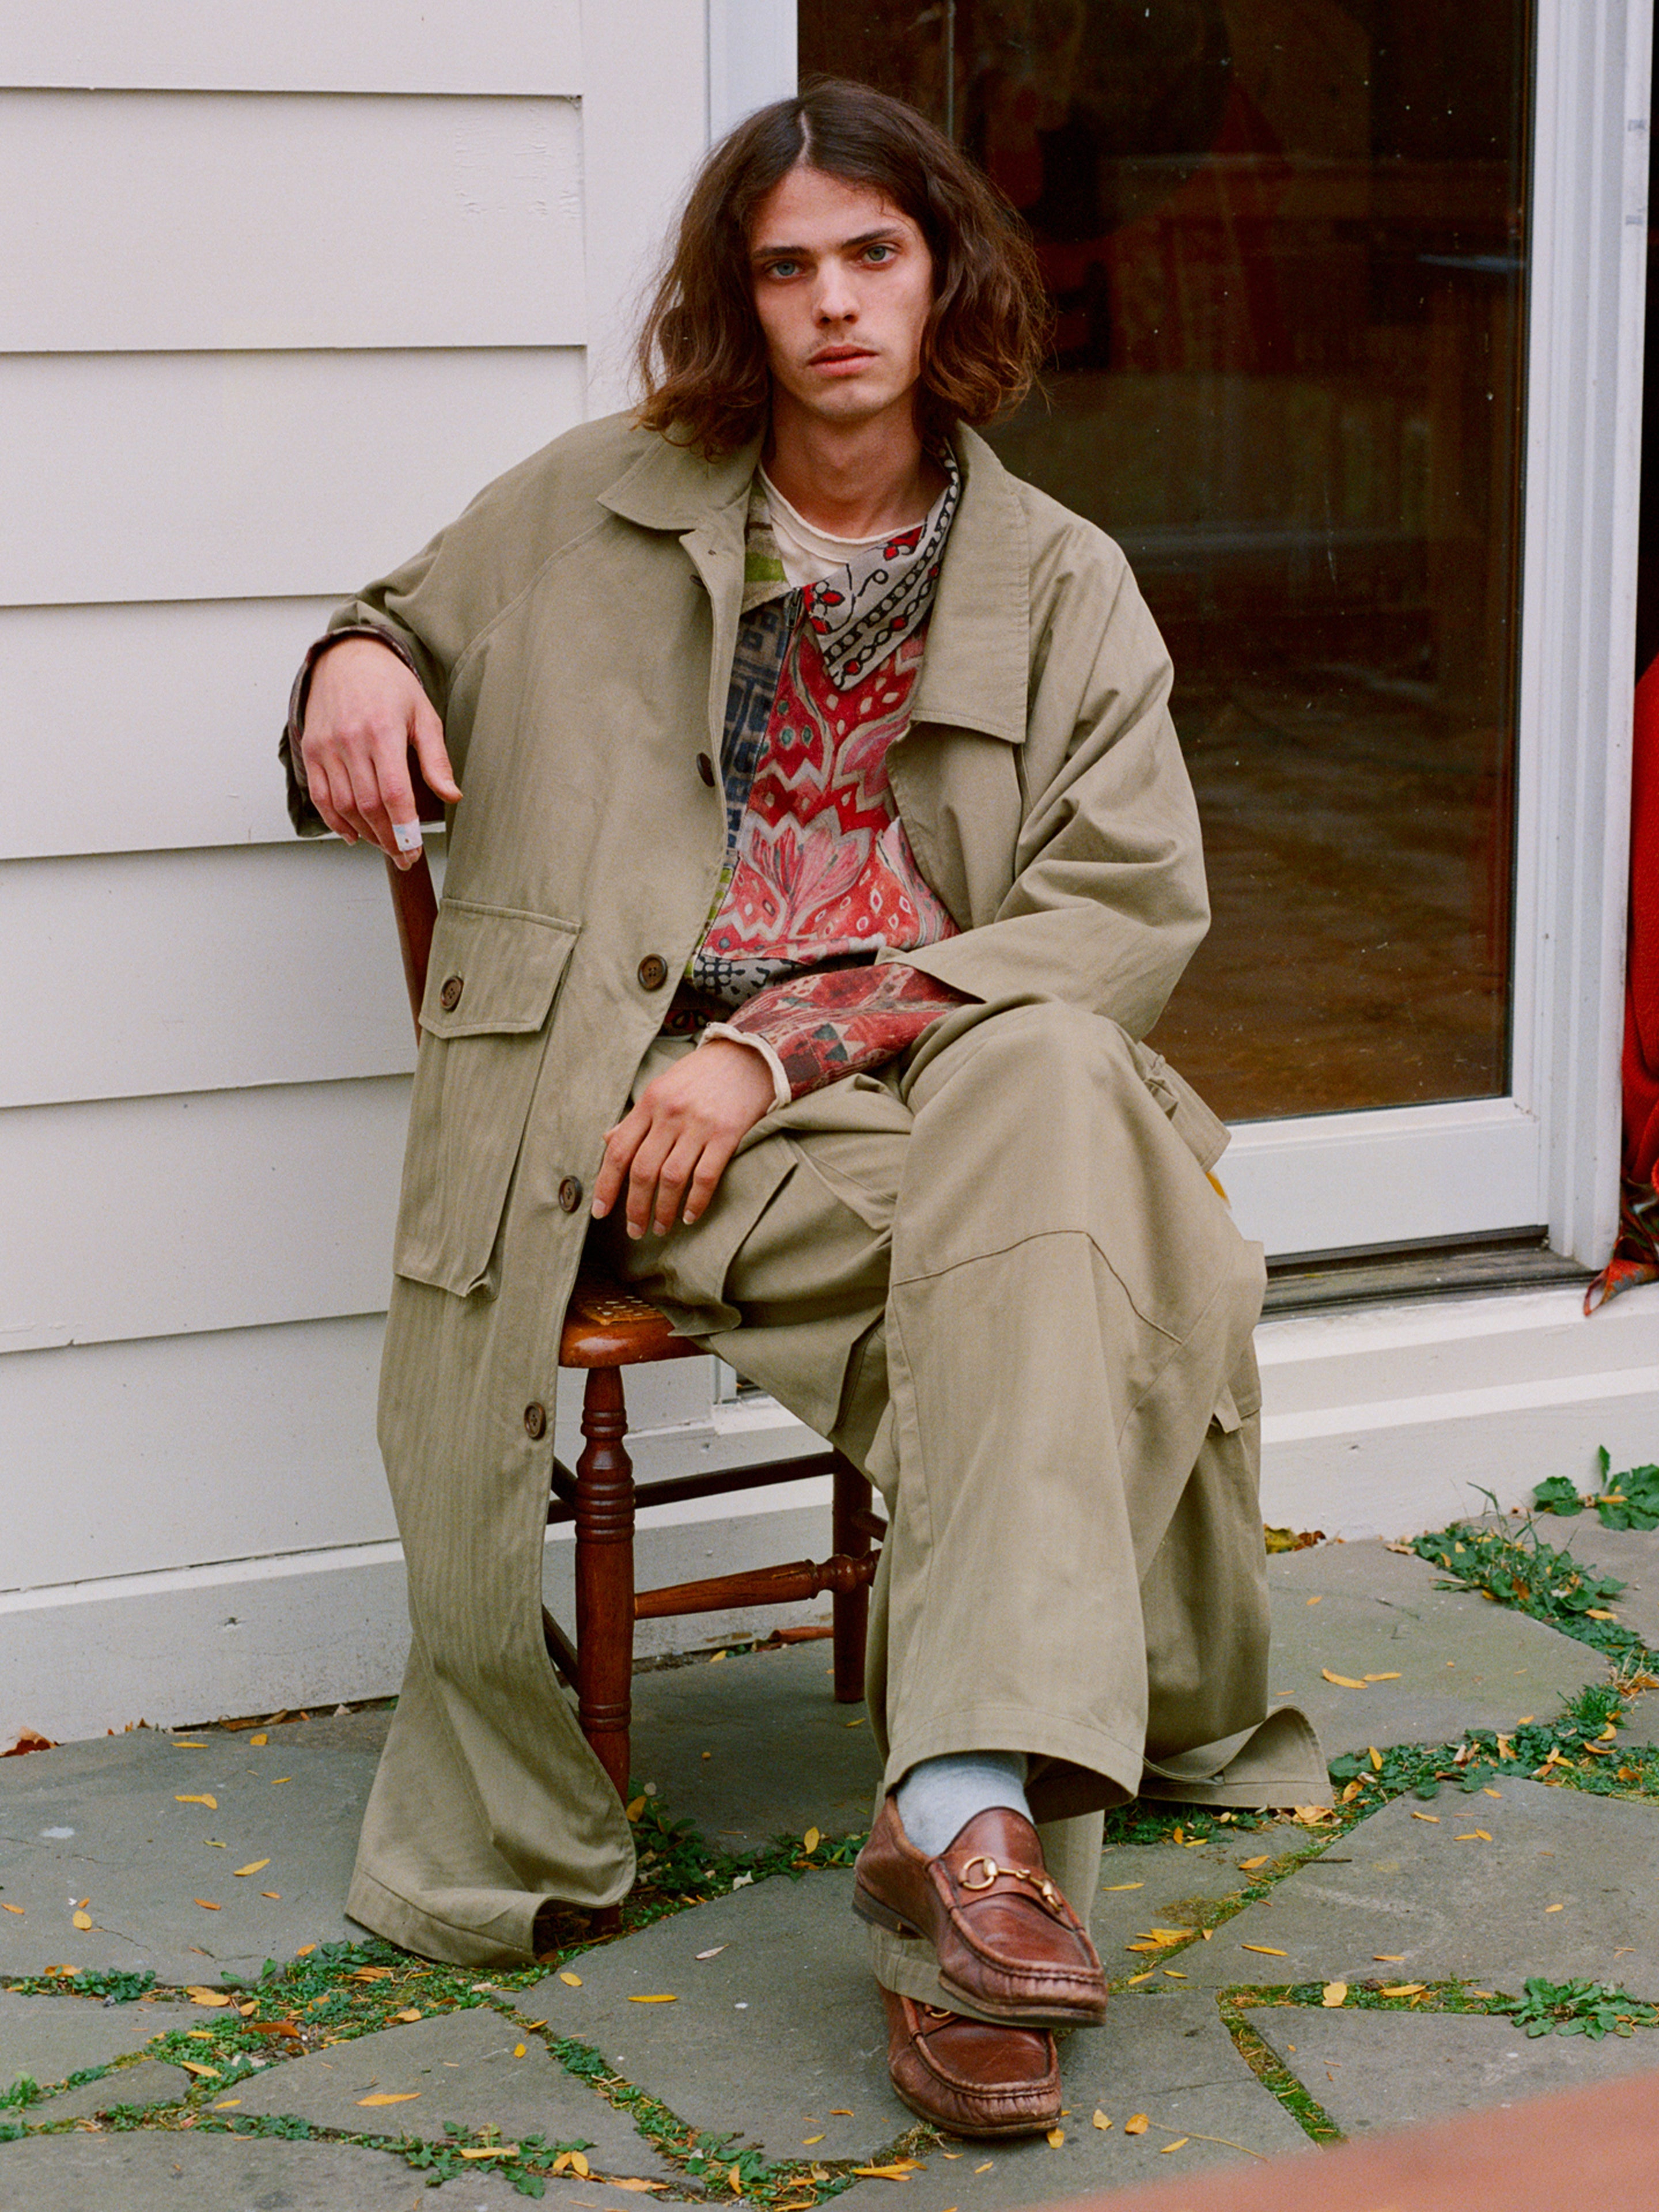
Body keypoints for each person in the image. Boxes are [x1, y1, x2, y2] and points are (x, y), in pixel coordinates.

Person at [281, 79, 1325, 2138]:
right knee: (1079, 1282)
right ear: (735, 301)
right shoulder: (592, 499)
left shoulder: (1067, 577)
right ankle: (986, 1882)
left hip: (913, 1090)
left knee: (1038, 1062)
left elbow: (1123, 911)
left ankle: (956, 1827)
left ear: (945, 277)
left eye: (875, 254)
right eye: (788, 267)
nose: (836, 303)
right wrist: (344, 663)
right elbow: (401, 617)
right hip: (659, 1125)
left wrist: (790, 1037)